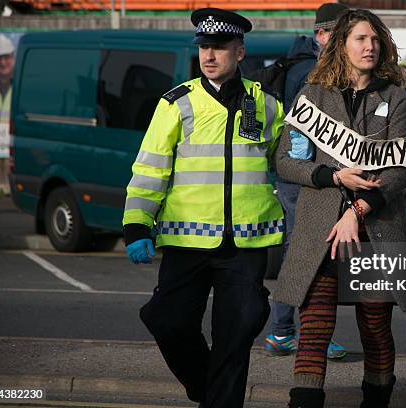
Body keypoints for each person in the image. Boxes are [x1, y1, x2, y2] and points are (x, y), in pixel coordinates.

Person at [122, 8, 285, 408]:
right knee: (166, 320)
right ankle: (208, 390)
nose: (209, 56)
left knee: (239, 330)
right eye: (203, 48)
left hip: (245, 241)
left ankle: (220, 400)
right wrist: (137, 224)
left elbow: (288, 162)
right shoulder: (177, 103)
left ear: (240, 52)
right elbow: (150, 167)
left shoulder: (266, 105)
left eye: (219, 48)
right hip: (185, 239)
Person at [274, 9, 406, 408]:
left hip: (374, 228)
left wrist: (356, 210)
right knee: (315, 328)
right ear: (342, 44)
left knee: (374, 327)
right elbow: (286, 161)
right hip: (319, 231)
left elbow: (400, 167)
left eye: (375, 39)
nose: (369, 46)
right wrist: (334, 177)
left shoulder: (394, 97)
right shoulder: (312, 95)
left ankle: (375, 400)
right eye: (360, 39)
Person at [264, 1, 348, 360]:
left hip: (307, 178)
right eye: (341, 33)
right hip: (305, 180)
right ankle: (295, 331)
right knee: (306, 253)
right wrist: (309, 178)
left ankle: (287, 331)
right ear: (322, 35)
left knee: (300, 253)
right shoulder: (311, 73)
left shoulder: (310, 67)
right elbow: (299, 135)